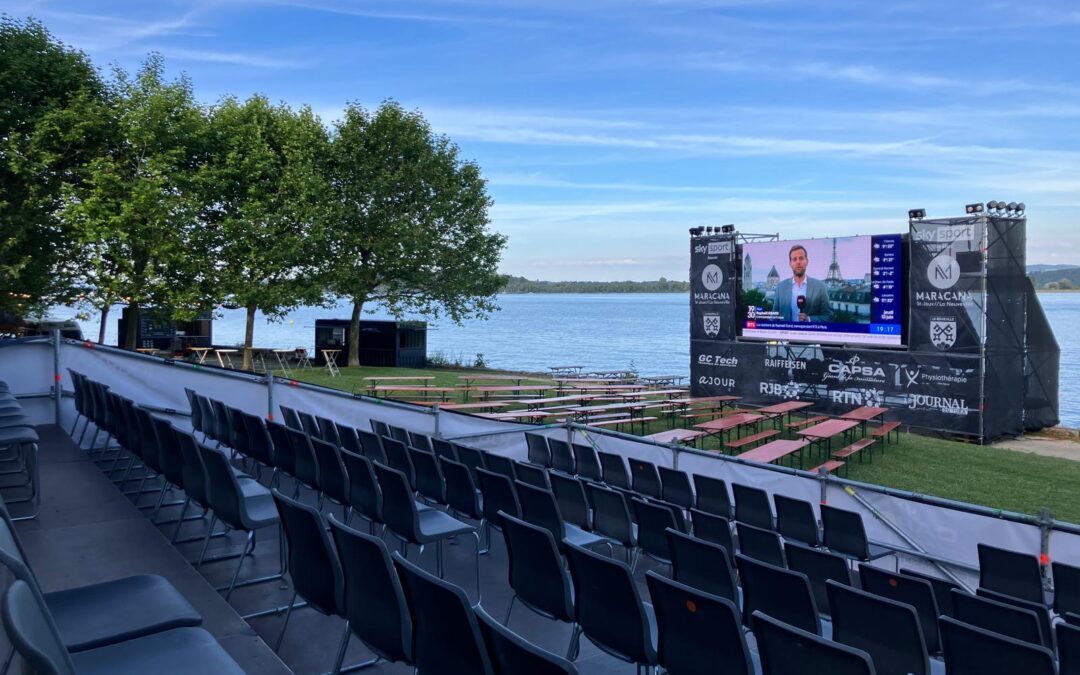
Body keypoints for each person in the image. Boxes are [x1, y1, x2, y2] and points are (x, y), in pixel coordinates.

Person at [772, 244, 832, 322]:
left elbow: (829, 316)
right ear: (790, 264)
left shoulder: (820, 287)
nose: (798, 262)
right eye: (794, 259)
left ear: (807, 261)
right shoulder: (781, 287)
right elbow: (774, 316)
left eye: (801, 258)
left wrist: (809, 319)